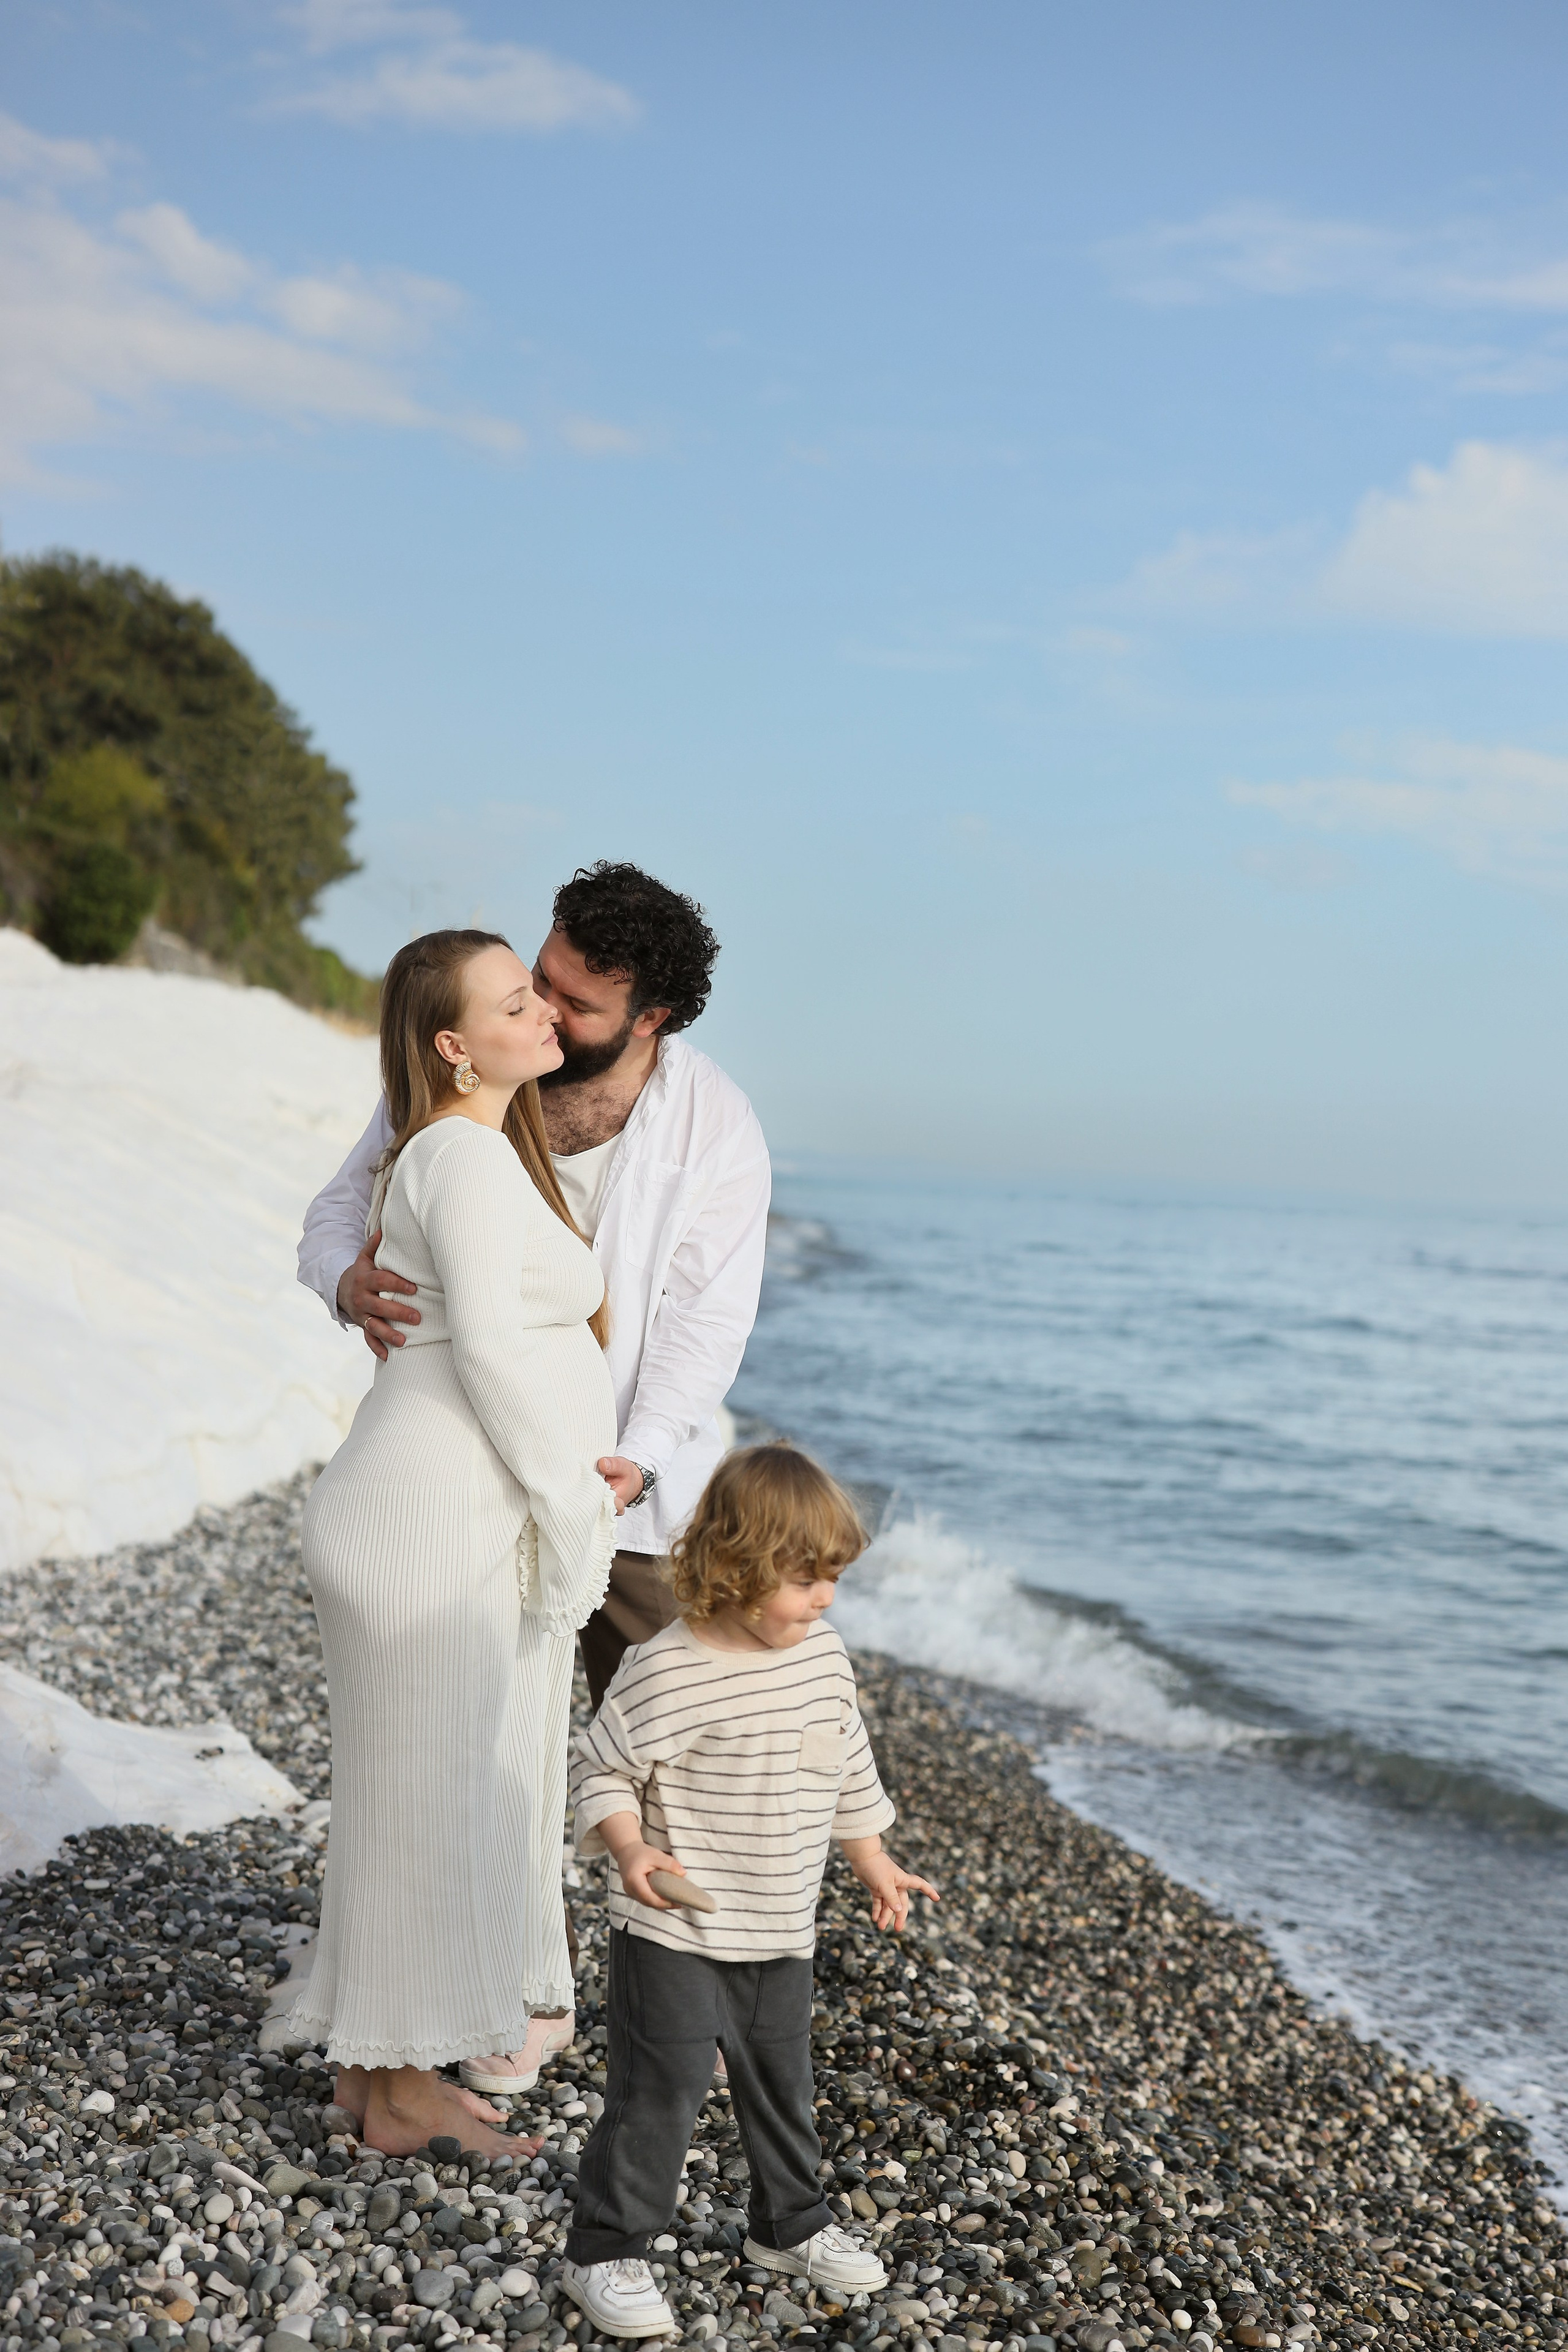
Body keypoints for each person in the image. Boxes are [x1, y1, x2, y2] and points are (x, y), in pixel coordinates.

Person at [298, 864, 771, 2097]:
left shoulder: (711, 1128)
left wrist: (638, 1455)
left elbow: (703, 1322)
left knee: (672, 1753)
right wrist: (341, 1281)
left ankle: (690, 2010)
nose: (553, 1016)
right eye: (539, 986)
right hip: (475, 1486)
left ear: (649, 1018)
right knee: (492, 1755)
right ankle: (518, 1998)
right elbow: (346, 1204)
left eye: (577, 1004)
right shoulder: (480, 1092)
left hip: (624, 1489)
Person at [291, 929, 621, 2158]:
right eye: (517, 1000)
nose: (546, 1014)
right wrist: (570, 1501)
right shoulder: (463, 1158)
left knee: (411, 1803)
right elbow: (483, 1348)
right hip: (428, 1524)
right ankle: (404, 2091)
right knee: (428, 1806)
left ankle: (378, 2083)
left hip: (432, 1514)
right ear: (452, 1043)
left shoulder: (470, 1151)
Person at [557, 1444, 939, 2341]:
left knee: (781, 2082)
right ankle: (606, 2249)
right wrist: (629, 1850)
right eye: (805, 1581)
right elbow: (601, 1768)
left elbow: (845, 1761)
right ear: (735, 1567)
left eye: (833, 1580)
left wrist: (874, 1859)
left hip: (781, 1926)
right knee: (664, 2086)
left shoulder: (821, 1657)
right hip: (672, 1927)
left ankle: (790, 2228)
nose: (825, 1599)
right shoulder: (667, 1668)